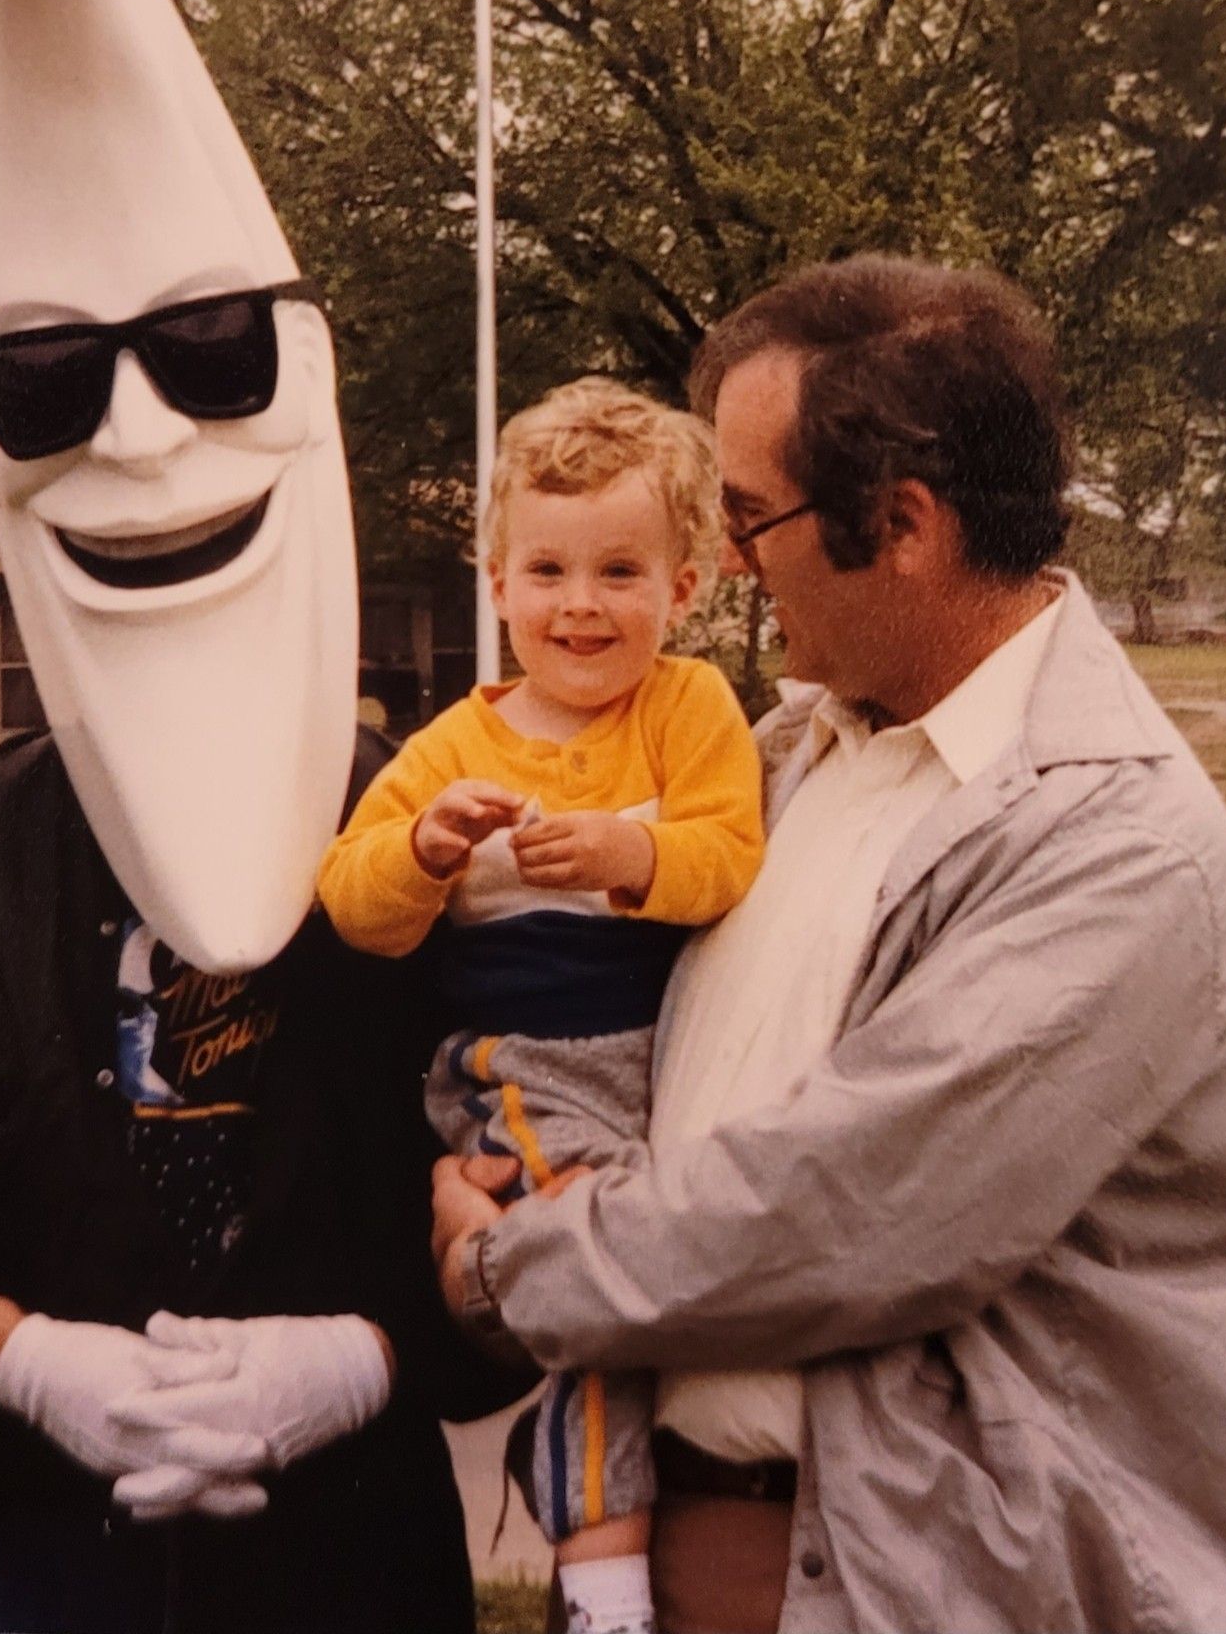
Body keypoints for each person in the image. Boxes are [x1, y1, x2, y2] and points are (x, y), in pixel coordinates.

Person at [0, 0, 504, 1634]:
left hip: (350, 1568)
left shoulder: (445, 827)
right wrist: (20, 1363)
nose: (142, 434)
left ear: (303, 376)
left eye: (209, 353)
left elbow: (568, 1173)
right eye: (47, 382)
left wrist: (377, 1354)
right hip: (17, 1563)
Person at [433, 257, 1226, 1634]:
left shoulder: (1111, 841)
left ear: (900, 525)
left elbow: (842, 1215)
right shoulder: (785, 760)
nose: (726, 560)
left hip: (959, 1592)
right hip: (702, 1563)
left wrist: (504, 1269)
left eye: (747, 516)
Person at [318, 378, 764, 1634]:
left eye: (621, 570)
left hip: (668, 1058)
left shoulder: (689, 708)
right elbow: (355, 905)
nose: (582, 604)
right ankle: (604, 1578)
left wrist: (634, 859)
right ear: (497, 580)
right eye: (549, 570)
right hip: (529, 1065)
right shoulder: (453, 745)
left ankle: (602, 1523)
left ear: (686, 586)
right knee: (604, 1284)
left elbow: (730, 853)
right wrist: (426, 849)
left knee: (659, 1293)